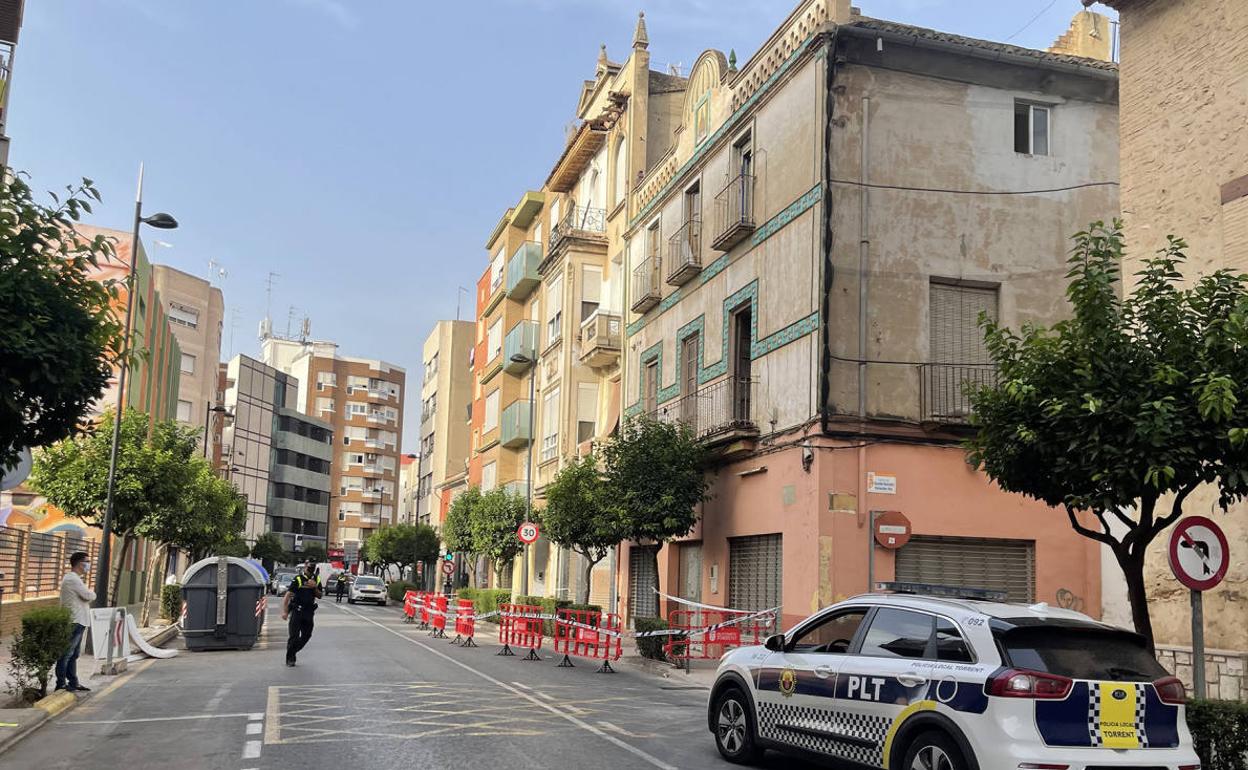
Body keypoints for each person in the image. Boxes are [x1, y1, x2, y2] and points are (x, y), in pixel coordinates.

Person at [56, 551, 96, 692]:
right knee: (66, 653)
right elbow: (88, 595)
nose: (88, 564)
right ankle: (60, 683)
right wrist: (92, 592)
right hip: (74, 621)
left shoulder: (76, 579)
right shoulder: (72, 579)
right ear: (79, 563)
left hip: (79, 621)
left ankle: (73, 682)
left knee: (74, 654)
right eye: (87, 561)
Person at [281, 559, 322, 667]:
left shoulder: (316, 579)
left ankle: (292, 651)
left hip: (309, 612)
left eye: (313, 569)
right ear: (305, 567)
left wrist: (314, 587)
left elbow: (320, 595)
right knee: (293, 637)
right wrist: (285, 611)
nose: (311, 571)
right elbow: (287, 595)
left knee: (306, 636)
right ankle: (290, 659)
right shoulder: (298, 579)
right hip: (297, 611)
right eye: (309, 568)